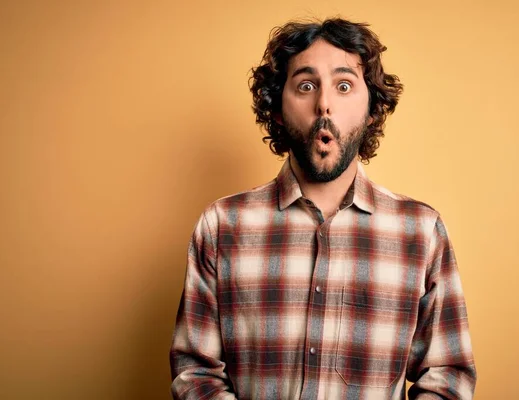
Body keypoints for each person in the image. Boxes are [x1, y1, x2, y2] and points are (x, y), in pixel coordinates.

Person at [169, 17, 476, 400]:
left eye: (344, 85)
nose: (324, 104)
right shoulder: (221, 226)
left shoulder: (421, 232)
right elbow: (194, 373)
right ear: (278, 108)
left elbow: (447, 376)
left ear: (371, 111)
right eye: (306, 85)